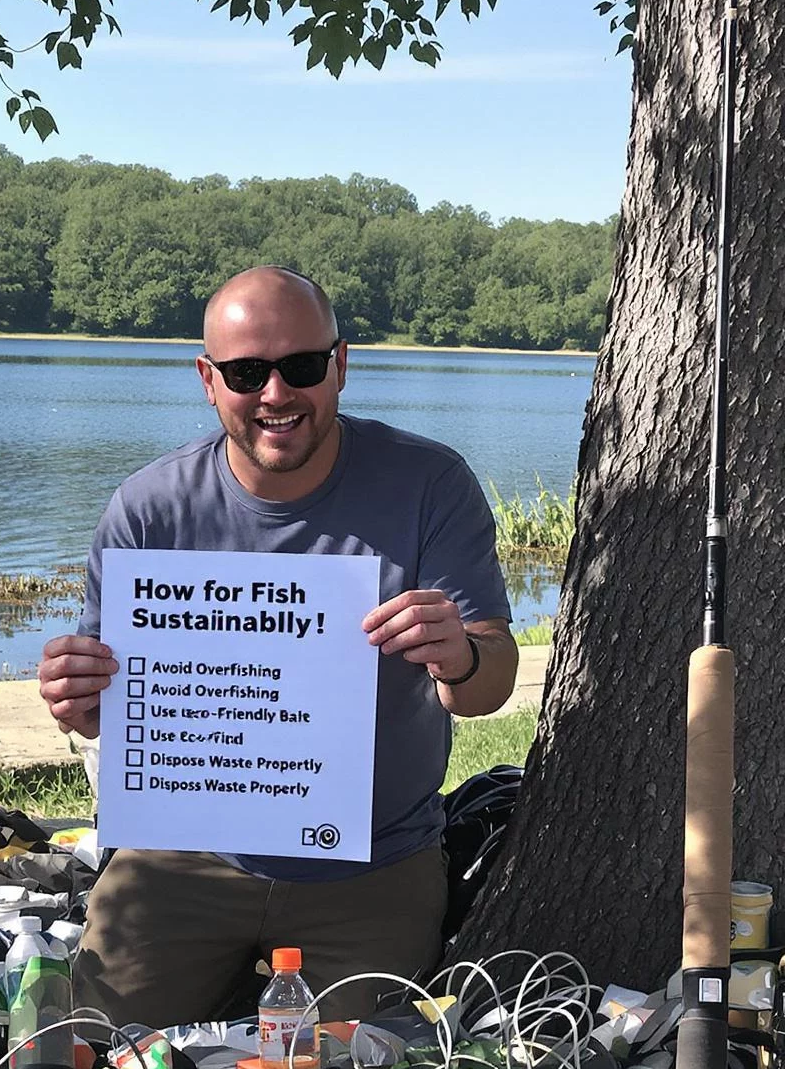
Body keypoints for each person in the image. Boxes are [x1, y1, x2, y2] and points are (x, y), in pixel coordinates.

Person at [38, 265, 518, 1025]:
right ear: (208, 379)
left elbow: (488, 687)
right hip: (183, 859)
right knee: (92, 1055)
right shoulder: (150, 507)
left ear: (341, 366)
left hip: (373, 861)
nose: (275, 394)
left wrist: (458, 653)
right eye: (246, 372)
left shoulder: (431, 484)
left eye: (301, 366)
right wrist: (81, 700)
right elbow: (112, 717)